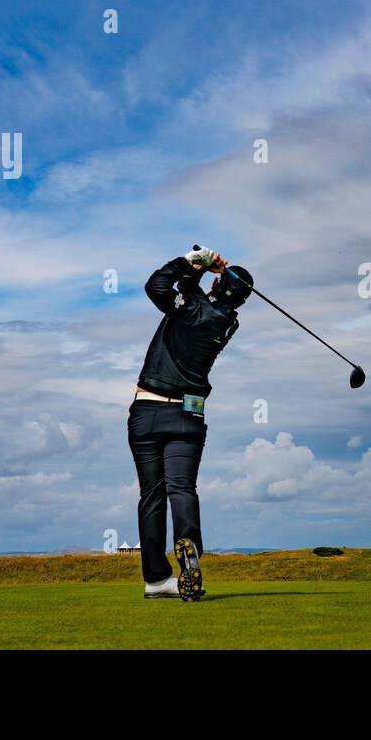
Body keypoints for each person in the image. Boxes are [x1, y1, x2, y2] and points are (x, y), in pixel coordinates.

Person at [128, 244, 254, 601]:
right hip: (189, 416)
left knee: (152, 495)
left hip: (147, 412)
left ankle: (155, 579)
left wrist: (192, 260)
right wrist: (204, 271)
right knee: (181, 488)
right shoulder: (228, 321)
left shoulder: (194, 307)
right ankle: (189, 546)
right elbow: (188, 293)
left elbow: (158, 287)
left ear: (218, 286)